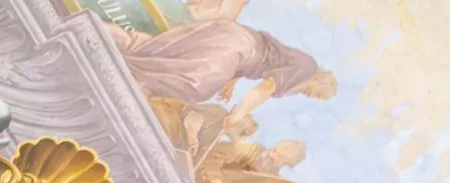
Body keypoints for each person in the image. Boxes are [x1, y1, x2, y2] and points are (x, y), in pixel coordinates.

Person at [100, 14, 337, 111]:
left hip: (233, 36)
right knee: (197, 87)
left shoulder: (303, 66)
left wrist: (234, 77)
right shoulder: (306, 70)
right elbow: (263, 89)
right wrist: (238, 114)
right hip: (238, 47)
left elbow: (269, 59)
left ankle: (97, 30)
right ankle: (133, 80)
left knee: (157, 51)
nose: (313, 96)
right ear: (320, 82)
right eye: (319, 94)